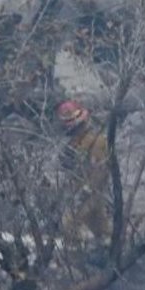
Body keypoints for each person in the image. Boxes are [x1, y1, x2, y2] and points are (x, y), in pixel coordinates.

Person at [56, 98, 109, 245]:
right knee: (101, 227)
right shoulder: (75, 142)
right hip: (79, 189)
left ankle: (76, 255)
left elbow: (100, 170)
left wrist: (86, 190)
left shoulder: (97, 142)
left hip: (92, 191)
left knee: (69, 223)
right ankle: (114, 246)